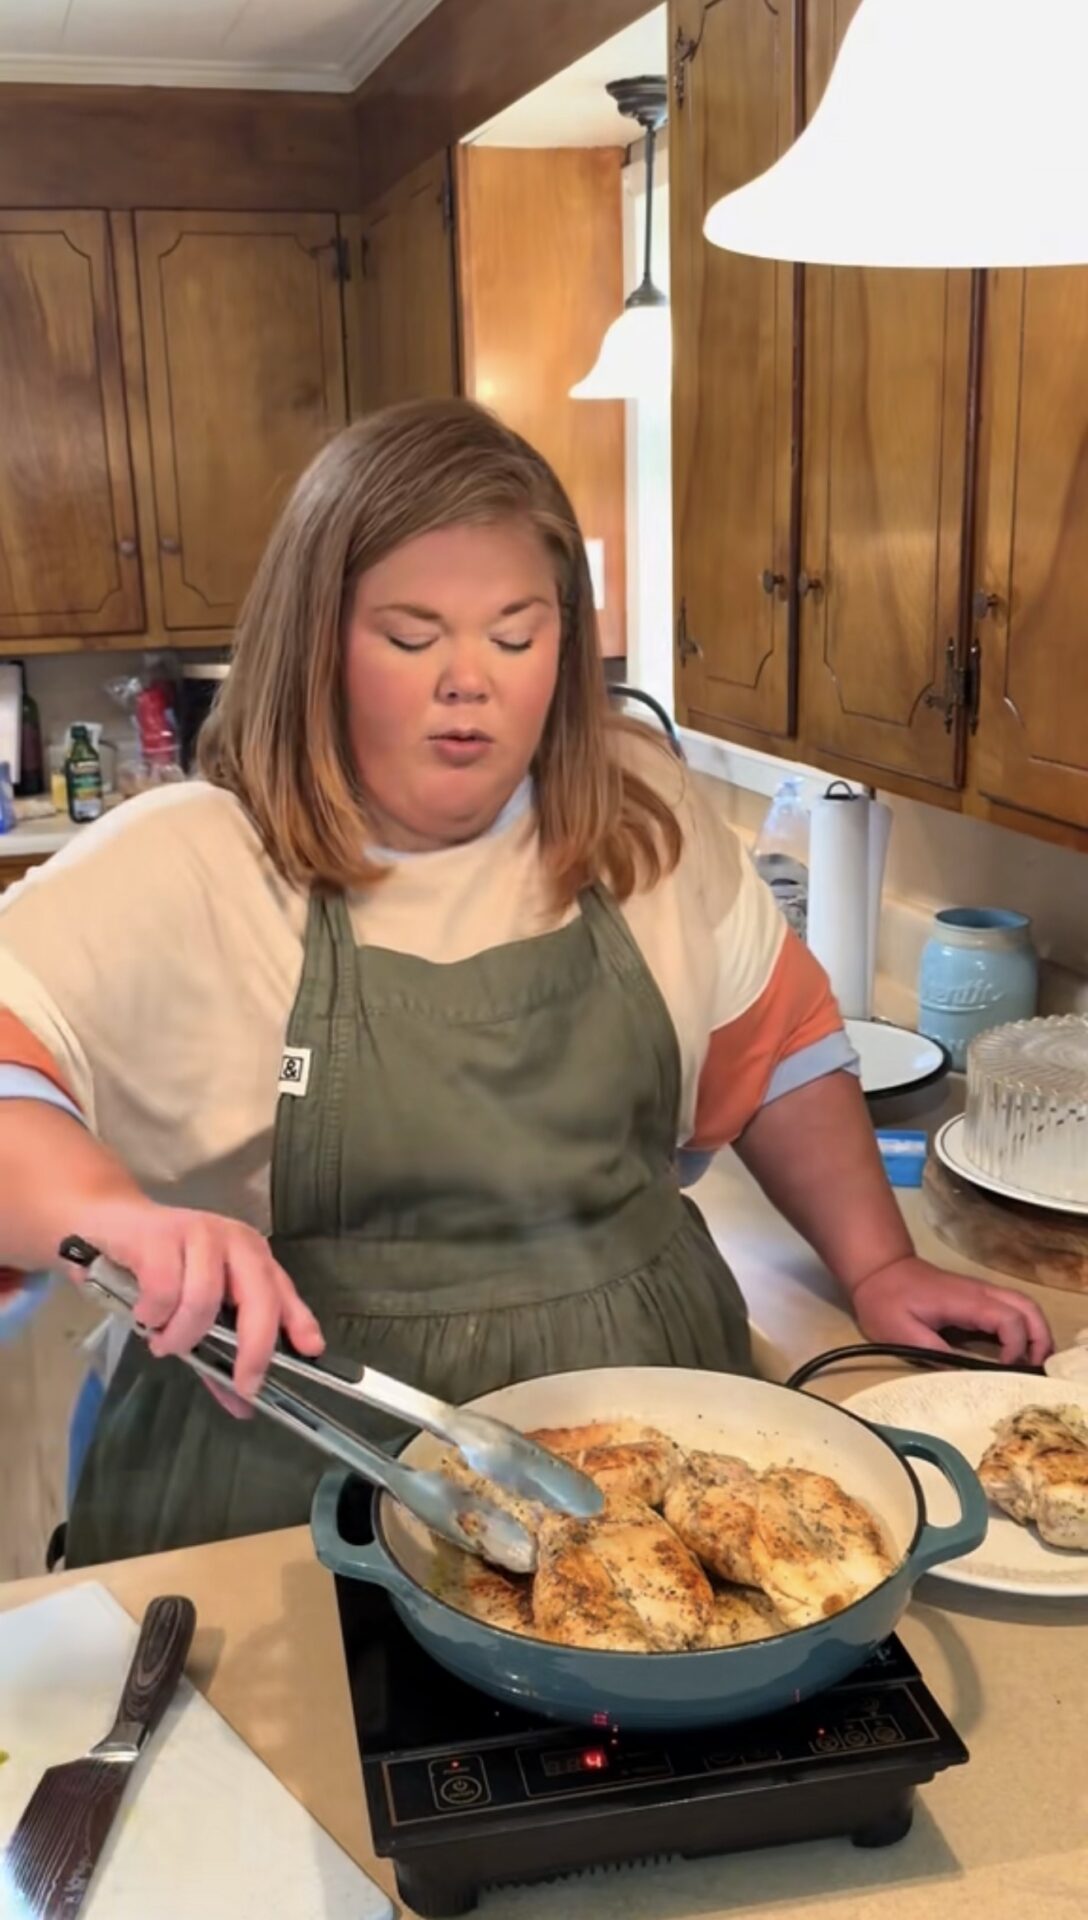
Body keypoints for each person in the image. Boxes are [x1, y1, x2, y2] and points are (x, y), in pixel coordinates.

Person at [0, 400, 1051, 1567]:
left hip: (651, 1436)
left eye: (515, 635)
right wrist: (113, 1216)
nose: (469, 682)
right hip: (300, 1461)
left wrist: (878, 1263)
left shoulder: (636, 820)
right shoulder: (190, 858)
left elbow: (783, 1052)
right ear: (315, 640)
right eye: (411, 637)